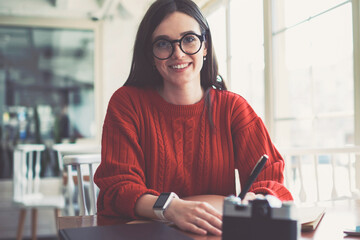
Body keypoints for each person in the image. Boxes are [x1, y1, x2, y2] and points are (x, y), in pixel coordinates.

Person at [94, 0, 293, 236]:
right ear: (150, 54)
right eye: (163, 43)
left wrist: (253, 200)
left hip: (213, 234)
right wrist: (171, 208)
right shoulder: (127, 103)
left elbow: (272, 180)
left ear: (205, 46)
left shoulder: (233, 108)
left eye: (189, 39)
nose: (177, 53)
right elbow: (118, 189)